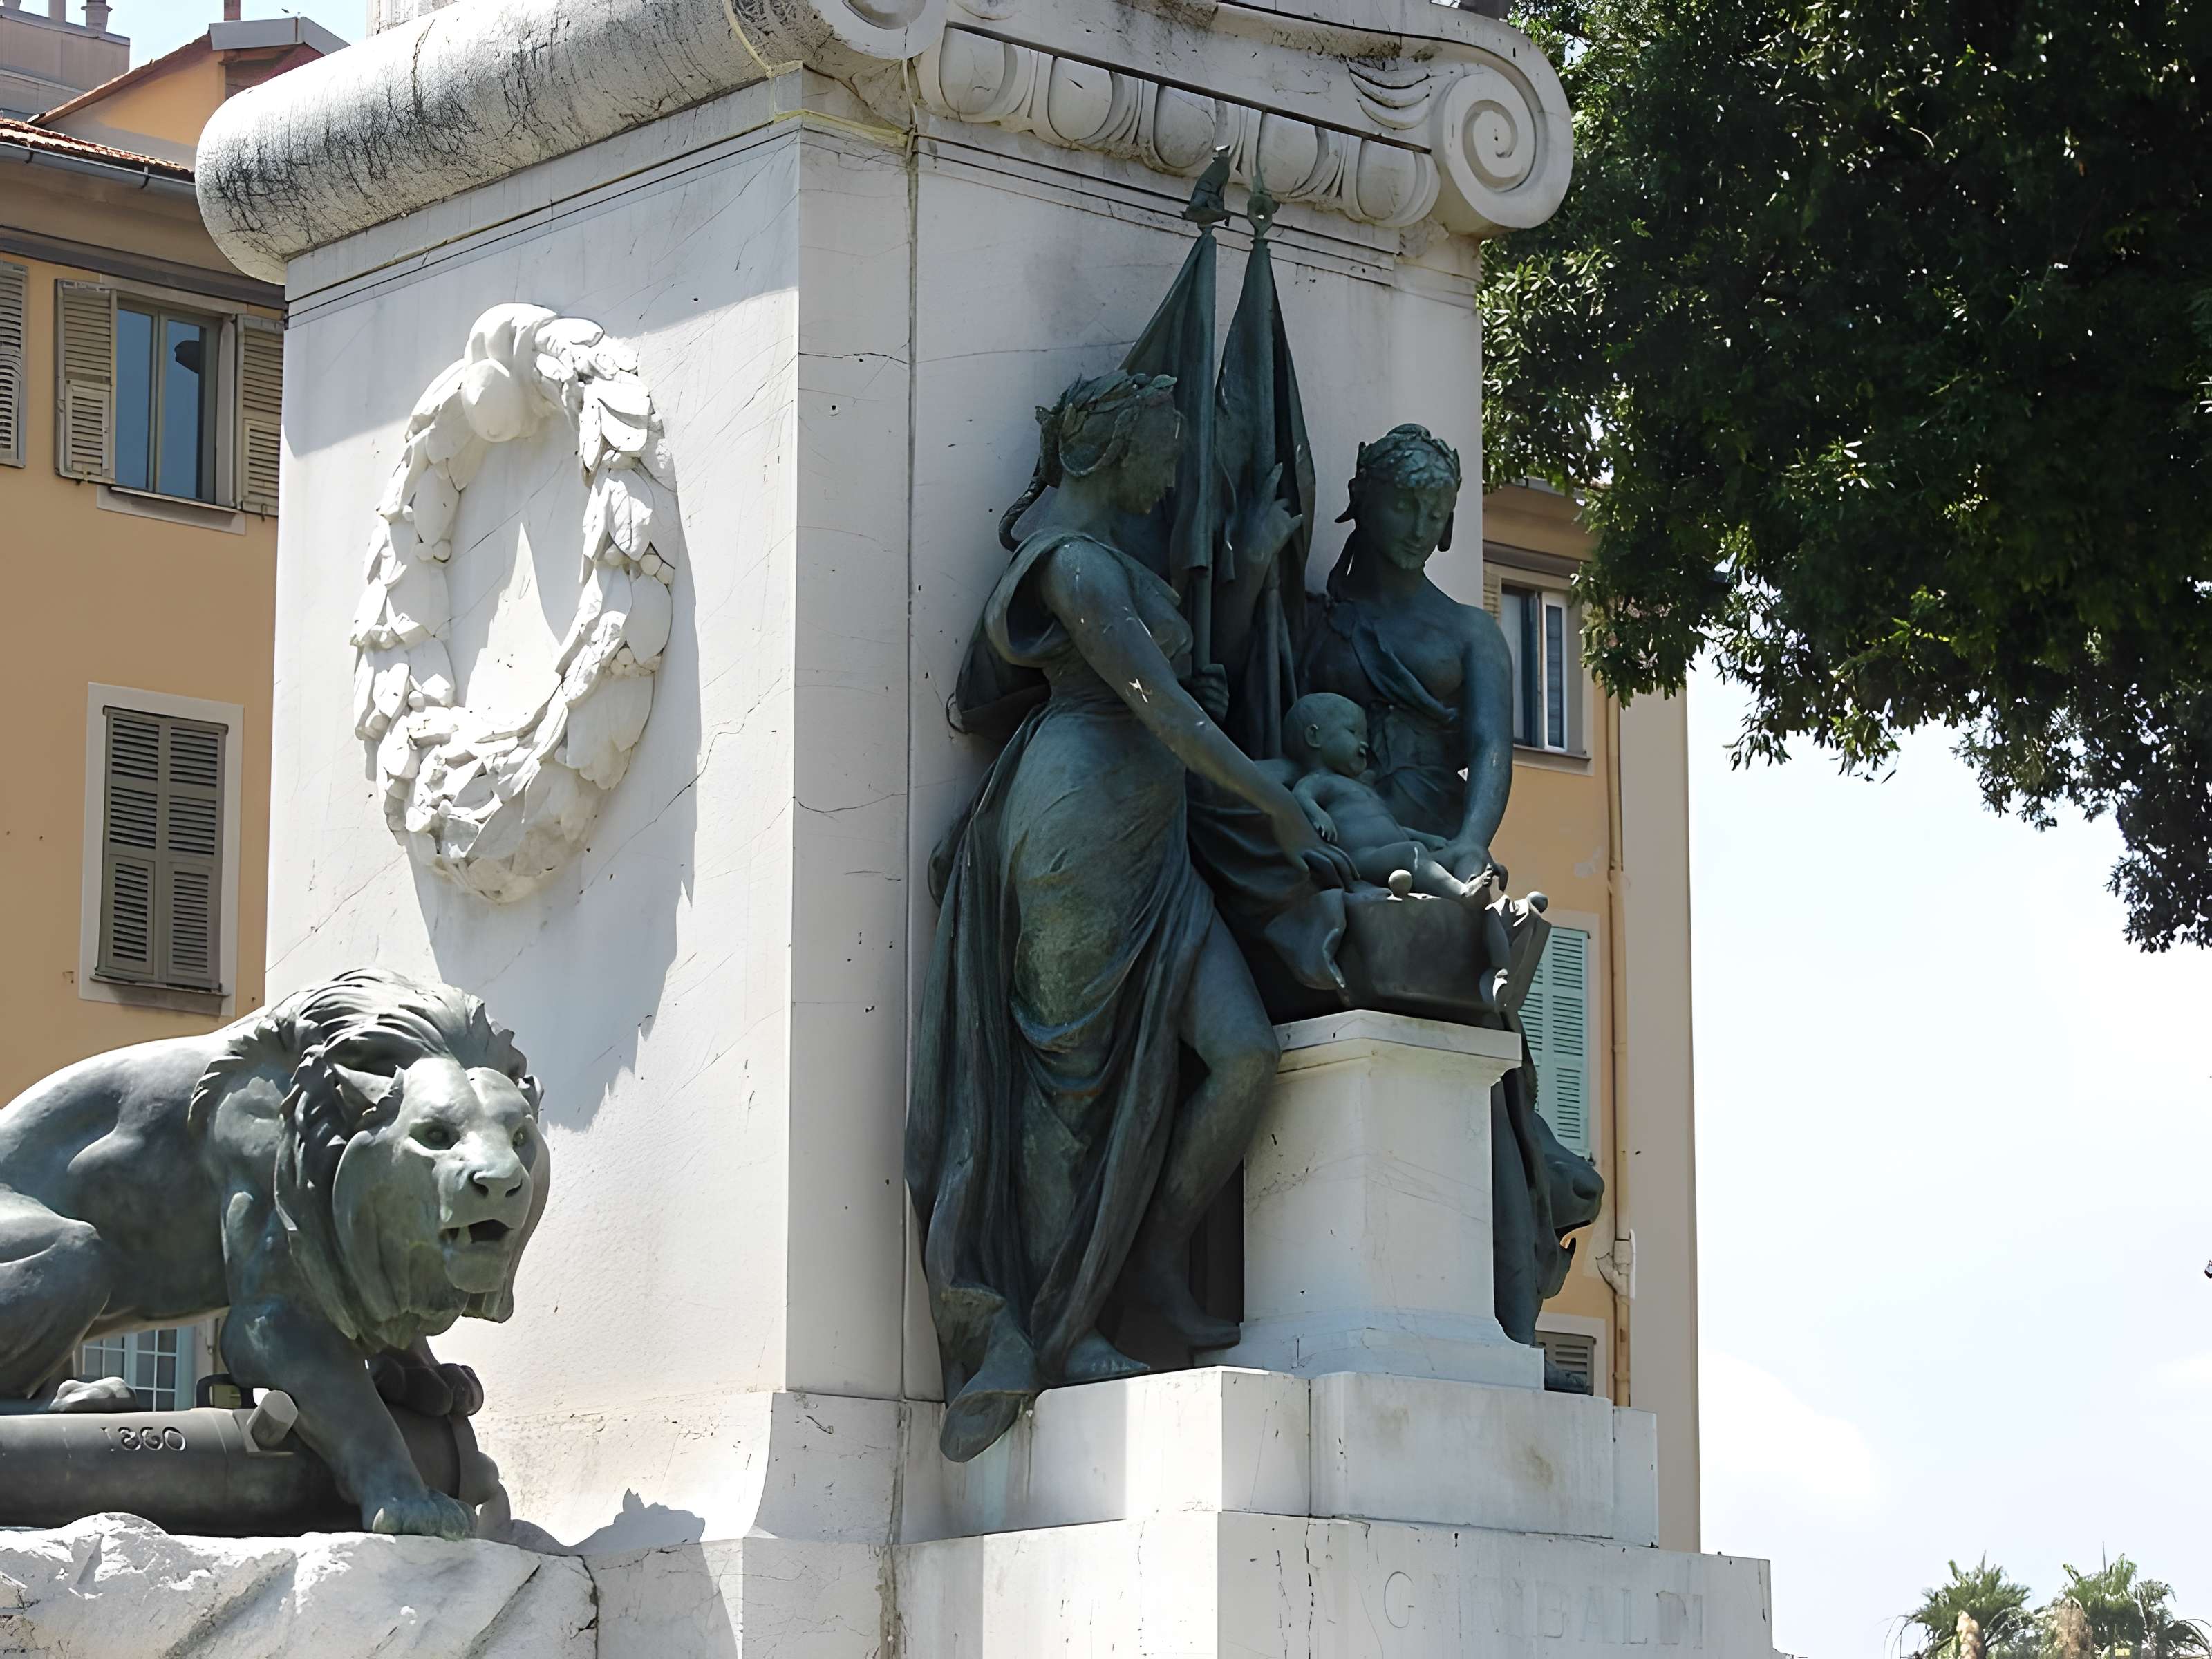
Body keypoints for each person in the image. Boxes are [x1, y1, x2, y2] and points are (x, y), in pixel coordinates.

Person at [908, 371, 1352, 1462]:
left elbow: (1184, 682)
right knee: (1072, 1090)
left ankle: (1150, 1255)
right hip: (1075, 828)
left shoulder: (1116, 561)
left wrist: (1249, 572)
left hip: (1153, 833)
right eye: (1162, 448)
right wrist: (1273, 802)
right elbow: (1166, 708)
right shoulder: (1069, 566)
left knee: (1243, 1054)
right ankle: (1060, 1330)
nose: (1171, 473)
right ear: (1106, 453)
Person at [1280, 692, 1510, 1012]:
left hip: (1398, 850)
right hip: (1366, 859)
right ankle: (1463, 893)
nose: (1364, 743)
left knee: (1465, 853)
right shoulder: (1319, 782)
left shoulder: (1363, 788)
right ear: (1314, 737)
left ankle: (1497, 964)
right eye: (1353, 732)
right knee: (1411, 854)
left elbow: (1394, 827)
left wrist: (1432, 839)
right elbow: (1301, 797)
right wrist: (1317, 814)